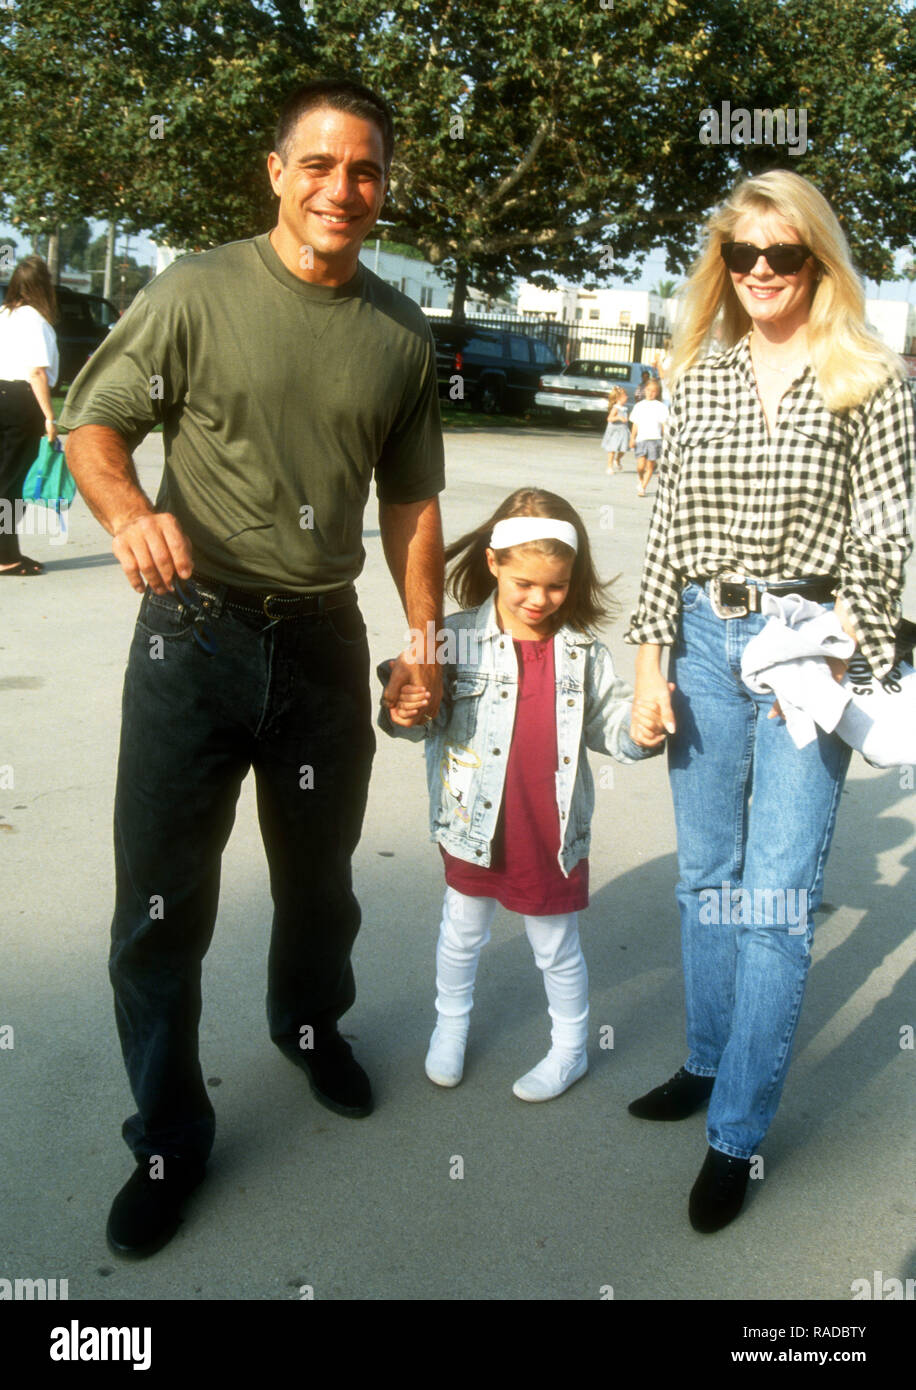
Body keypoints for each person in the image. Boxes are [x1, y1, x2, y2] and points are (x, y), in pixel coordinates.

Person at [59, 77, 446, 1258]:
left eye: (366, 169)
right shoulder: (196, 290)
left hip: (325, 645)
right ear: (276, 172)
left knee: (320, 883)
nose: (343, 188)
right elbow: (94, 423)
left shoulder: (399, 331)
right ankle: (170, 1132)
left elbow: (412, 498)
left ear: (384, 185)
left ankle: (310, 1024)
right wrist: (127, 510)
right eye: (320, 164)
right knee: (160, 908)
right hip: (195, 632)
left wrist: (421, 637)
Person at [625, 169, 915, 1233]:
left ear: (816, 262)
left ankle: (736, 1135)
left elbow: (887, 528)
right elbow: (667, 529)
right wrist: (650, 657)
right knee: (707, 876)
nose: (757, 273)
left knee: (776, 899)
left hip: (805, 648)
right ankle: (707, 1061)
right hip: (701, 637)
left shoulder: (868, 378)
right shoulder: (697, 375)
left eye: (780, 256)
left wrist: (853, 646)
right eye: (738, 255)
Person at [379, 488, 664, 1102]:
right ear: (493, 564)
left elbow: (609, 724)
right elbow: (412, 718)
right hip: (471, 823)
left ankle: (570, 1050)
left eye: (556, 587)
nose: (540, 599)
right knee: (461, 931)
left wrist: (639, 731)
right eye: (526, 583)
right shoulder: (448, 639)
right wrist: (402, 710)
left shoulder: (583, 651)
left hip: (548, 830)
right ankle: (449, 1027)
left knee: (555, 946)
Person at [0, 255, 59, 574]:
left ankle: (6, 551)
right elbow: (37, 371)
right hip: (22, 401)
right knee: (12, 483)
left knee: (2, 477)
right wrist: (49, 416)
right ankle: (6, 557)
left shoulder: (4, 315)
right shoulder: (35, 320)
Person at [629, 377, 667, 497]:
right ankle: (641, 479)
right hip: (641, 439)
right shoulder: (639, 406)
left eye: (654, 391)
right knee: (640, 466)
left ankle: (643, 487)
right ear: (645, 390)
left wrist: (666, 438)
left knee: (650, 465)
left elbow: (664, 424)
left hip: (654, 439)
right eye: (649, 390)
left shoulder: (660, 406)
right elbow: (635, 423)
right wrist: (632, 438)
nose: (651, 393)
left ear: (657, 392)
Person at [601, 386, 629, 473]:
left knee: (623, 449)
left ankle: (617, 460)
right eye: (625, 396)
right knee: (612, 449)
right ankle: (609, 466)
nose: (627, 397)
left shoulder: (624, 408)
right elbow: (609, 419)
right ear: (619, 398)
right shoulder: (616, 408)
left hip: (623, 431)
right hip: (614, 432)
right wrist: (619, 418)